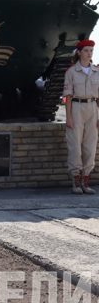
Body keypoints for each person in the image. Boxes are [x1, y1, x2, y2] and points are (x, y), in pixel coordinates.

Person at [63, 38, 99, 194]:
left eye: (91, 51)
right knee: (75, 146)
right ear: (79, 52)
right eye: (86, 50)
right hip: (76, 107)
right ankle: (76, 180)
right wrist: (69, 117)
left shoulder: (97, 71)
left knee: (90, 146)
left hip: (93, 107)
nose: (89, 53)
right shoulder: (71, 72)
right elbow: (67, 96)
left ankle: (86, 180)